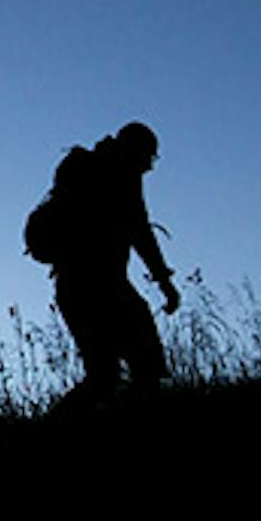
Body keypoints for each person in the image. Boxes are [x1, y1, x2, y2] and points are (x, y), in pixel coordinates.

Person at [48, 121, 181, 410]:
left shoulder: (93, 168)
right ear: (136, 151)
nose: (149, 167)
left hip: (78, 287)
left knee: (106, 377)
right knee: (133, 372)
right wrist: (165, 283)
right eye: (149, 158)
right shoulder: (120, 176)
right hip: (98, 288)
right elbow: (141, 233)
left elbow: (138, 232)